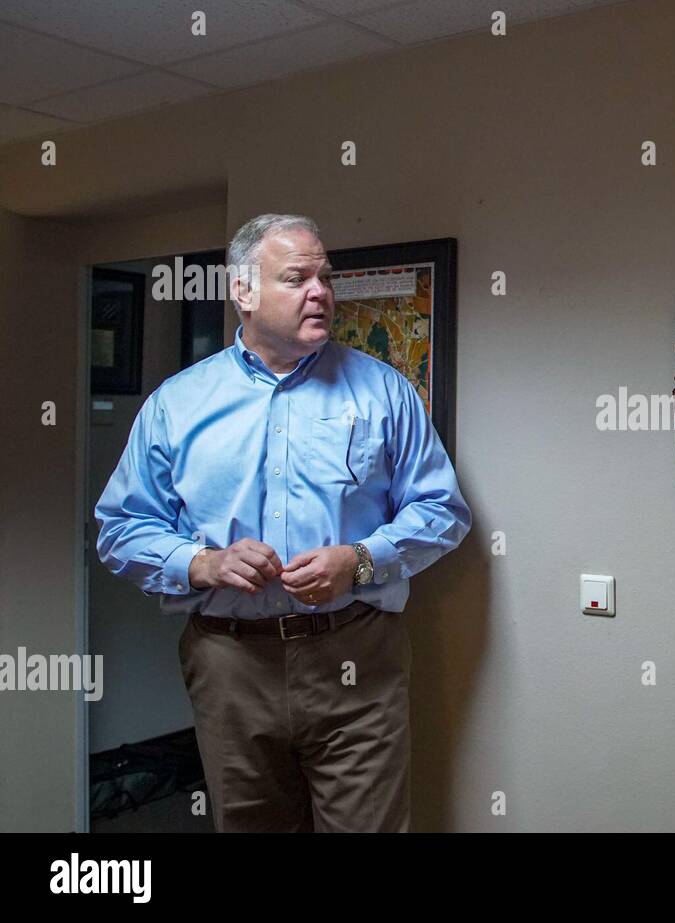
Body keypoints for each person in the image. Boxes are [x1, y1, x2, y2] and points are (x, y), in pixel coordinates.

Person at [94, 213, 471, 832]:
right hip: (229, 665)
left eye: (325, 276)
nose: (320, 290)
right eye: (296, 278)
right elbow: (122, 527)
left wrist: (361, 560)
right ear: (243, 292)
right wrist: (202, 563)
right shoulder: (177, 404)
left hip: (356, 658)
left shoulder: (384, 392)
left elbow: (441, 510)